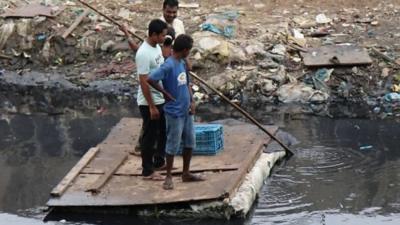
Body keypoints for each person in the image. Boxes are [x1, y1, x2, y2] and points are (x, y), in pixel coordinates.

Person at [147, 34, 205, 190]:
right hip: (174, 112)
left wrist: (192, 101)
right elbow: (151, 79)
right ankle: (168, 176)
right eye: (189, 51)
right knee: (172, 144)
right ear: (185, 50)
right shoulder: (169, 65)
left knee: (190, 142)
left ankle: (186, 173)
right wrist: (164, 93)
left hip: (186, 110)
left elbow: (187, 83)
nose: (189, 54)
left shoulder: (181, 63)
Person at [134, 19, 168, 180]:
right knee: (150, 136)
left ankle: (159, 162)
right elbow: (143, 81)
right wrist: (151, 106)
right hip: (149, 101)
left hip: (160, 98)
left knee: (163, 131)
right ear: (154, 35)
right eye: (162, 35)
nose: (164, 38)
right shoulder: (143, 53)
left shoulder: (156, 48)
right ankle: (147, 170)